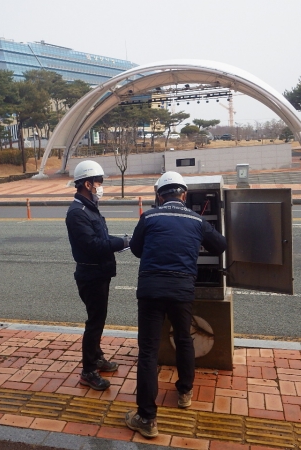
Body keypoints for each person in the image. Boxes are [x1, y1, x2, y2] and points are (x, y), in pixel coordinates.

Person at [125, 171, 227, 439]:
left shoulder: (149, 217)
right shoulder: (196, 219)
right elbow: (220, 246)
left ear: (159, 196)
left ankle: (147, 418)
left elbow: (136, 249)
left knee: (148, 351)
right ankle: (184, 393)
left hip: (151, 290)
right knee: (183, 339)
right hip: (181, 290)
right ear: (184, 195)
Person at [65, 160, 130, 391]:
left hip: (99, 272)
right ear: (87, 184)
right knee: (94, 322)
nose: (101, 187)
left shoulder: (89, 208)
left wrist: (123, 241)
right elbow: (93, 245)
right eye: (99, 183)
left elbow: (101, 238)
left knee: (98, 319)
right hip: (91, 274)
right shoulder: (77, 213)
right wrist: (122, 242)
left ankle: (97, 357)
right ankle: (88, 371)